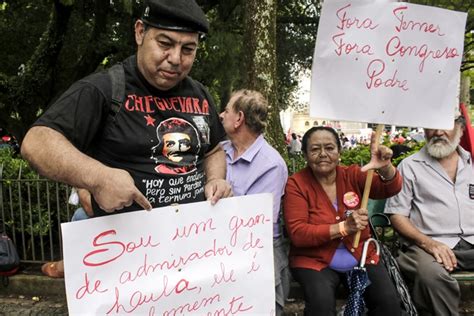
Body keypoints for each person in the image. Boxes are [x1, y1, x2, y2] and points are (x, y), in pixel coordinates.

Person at [21, 0, 232, 272]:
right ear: (140, 32)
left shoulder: (201, 94)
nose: (176, 59)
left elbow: (213, 150)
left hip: (187, 253)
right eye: (165, 44)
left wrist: (215, 179)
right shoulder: (103, 89)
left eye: (188, 49)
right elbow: (36, 141)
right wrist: (97, 177)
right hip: (123, 261)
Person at [284, 126, 403, 315]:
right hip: (314, 260)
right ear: (305, 155)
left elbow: (390, 188)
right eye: (315, 149)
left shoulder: (353, 174)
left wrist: (386, 166)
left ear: (339, 152)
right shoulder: (297, 184)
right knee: (320, 306)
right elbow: (298, 234)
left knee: (388, 304)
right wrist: (344, 227)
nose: (323, 154)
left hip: (361, 256)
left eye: (329, 148)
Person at [384, 112, 474, 316]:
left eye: (446, 125)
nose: (438, 132)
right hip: (425, 246)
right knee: (431, 276)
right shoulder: (410, 166)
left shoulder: (472, 162)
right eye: (432, 125)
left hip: (471, 242)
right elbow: (397, 215)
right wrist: (429, 244)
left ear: (460, 128)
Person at [219, 90, 290, 315]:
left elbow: (256, 224)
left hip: (259, 252)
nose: (221, 115)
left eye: (227, 110)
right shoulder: (219, 151)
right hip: (219, 246)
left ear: (239, 118)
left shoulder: (271, 164)